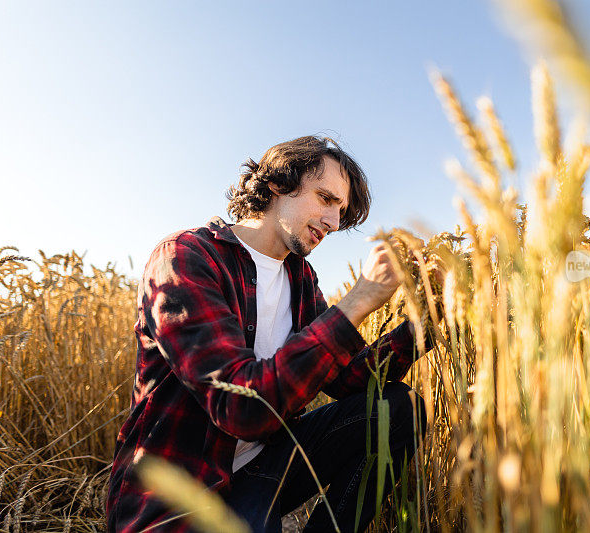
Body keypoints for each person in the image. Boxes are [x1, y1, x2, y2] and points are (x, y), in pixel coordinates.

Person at [106, 136, 435, 532]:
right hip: (181, 491)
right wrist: (360, 299)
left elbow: (352, 379)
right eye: (326, 198)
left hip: (264, 468)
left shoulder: (300, 277)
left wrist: (432, 319)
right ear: (278, 183)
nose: (333, 222)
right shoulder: (186, 257)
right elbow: (241, 408)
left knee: (398, 407)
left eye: (341, 210)